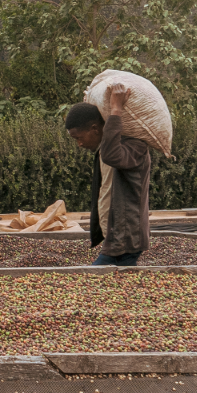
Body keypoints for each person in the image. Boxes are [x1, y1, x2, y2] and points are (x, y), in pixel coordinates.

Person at [64, 82, 150, 266]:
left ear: (95, 129)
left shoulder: (135, 147)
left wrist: (116, 109)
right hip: (116, 236)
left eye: (78, 138)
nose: (79, 144)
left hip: (126, 238)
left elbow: (113, 156)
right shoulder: (105, 148)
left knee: (94, 280)